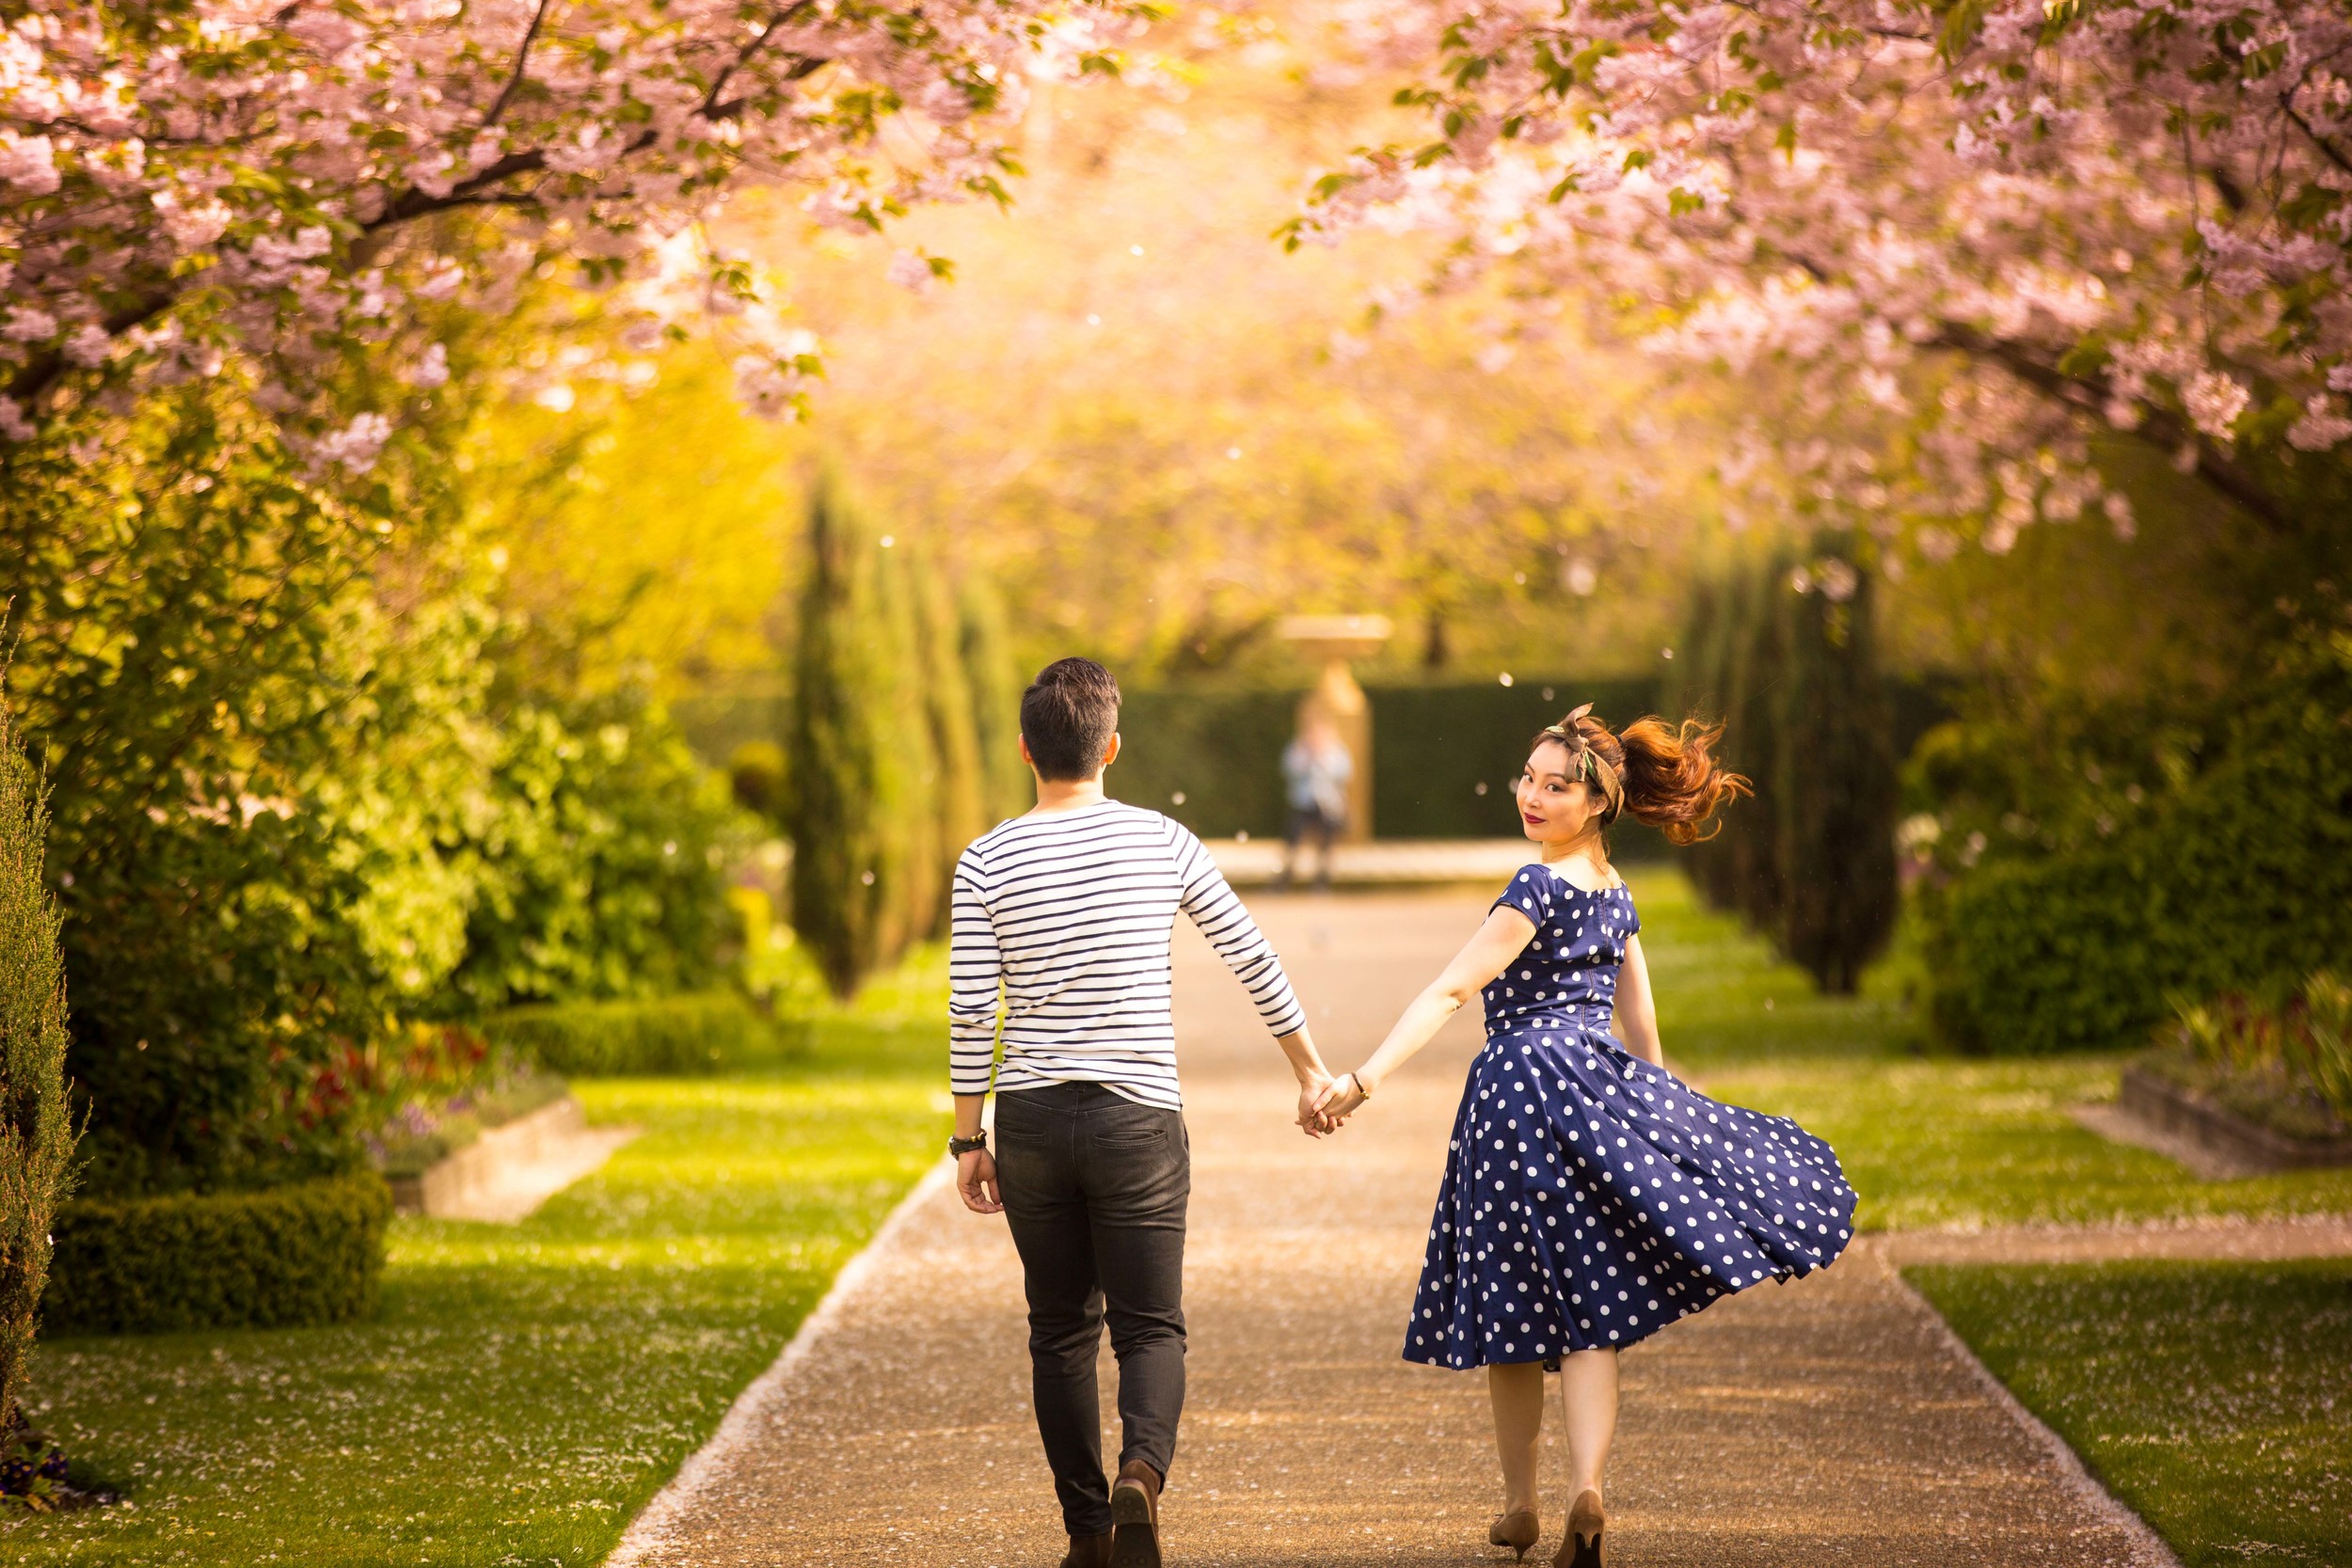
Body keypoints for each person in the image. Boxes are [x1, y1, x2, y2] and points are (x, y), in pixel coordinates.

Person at [1312, 704, 1857, 1568]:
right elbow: (1642, 1033)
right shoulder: (1616, 895)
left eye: (1556, 786)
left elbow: (1454, 990)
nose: (1533, 795)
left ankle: (1522, 1504)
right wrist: (1669, 1121)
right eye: (1529, 778)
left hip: (1518, 1097)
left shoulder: (1534, 889)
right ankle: (1587, 1492)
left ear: (1597, 802)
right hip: (1596, 1095)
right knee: (1590, 1308)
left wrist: (1365, 1078)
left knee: (1514, 1306)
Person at [947, 657, 1342, 1568]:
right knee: (1149, 1325)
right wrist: (1309, 1070)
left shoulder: (985, 858)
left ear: (1023, 750)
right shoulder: (1161, 839)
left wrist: (969, 1136)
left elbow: (972, 1009)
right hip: (1139, 1119)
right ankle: (1142, 1472)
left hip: (1037, 1123)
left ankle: (1086, 1531)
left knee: (1058, 1328)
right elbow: (1252, 955)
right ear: (1111, 747)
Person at [1279, 711, 1353, 892]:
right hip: (1302, 803)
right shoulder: (1298, 749)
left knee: (1327, 841)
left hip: (1327, 804)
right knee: (1292, 839)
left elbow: (1345, 773)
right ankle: (1285, 877)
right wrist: (1307, 757)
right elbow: (1288, 769)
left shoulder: (1335, 750)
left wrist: (1324, 759)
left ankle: (1322, 879)